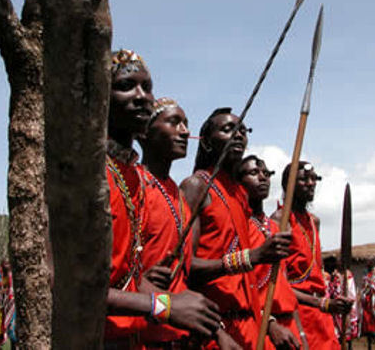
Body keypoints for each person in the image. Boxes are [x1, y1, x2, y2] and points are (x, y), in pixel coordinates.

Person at [105, 50, 222, 348]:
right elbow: (66, 282)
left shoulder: (130, 177)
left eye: (148, 86)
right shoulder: (89, 172)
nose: (142, 96)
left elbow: (127, 277)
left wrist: (212, 326)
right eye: (126, 85)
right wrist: (165, 306)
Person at [181, 108, 290, 349]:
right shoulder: (196, 186)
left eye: (242, 130)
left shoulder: (240, 195)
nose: (238, 135)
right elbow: (186, 267)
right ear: (207, 142)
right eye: (228, 129)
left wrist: (268, 322)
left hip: (250, 325)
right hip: (214, 328)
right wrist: (254, 256)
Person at [138, 97, 239, 348]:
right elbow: (114, 272)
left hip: (178, 334)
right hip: (138, 333)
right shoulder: (134, 185)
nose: (185, 131)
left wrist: (218, 332)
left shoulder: (179, 197)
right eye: (174, 122)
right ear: (144, 133)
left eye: (186, 124)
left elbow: (185, 278)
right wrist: (139, 277)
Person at [270, 162, 352, 350]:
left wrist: (332, 302)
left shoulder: (314, 221)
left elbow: (317, 272)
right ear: (287, 184)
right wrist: (321, 303)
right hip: (297, 313)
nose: (311, 183)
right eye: (304, 179)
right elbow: (279, 283)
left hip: (321, 313)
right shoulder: (280, 220)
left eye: (314, 179)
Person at [237, 155, 302, 349]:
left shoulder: (275, 227)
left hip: (288, 324)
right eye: (254, 172)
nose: (263, 177)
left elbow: (284, 284)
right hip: (260, 325)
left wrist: (301, 332)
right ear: (238, 179)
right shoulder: (238, 225)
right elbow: (238, 286)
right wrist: (270, 324)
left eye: (266, 173)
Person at [324, 257, 359, 348]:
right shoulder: (330, 277)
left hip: (340, 306)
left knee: (343, 331)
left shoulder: (345, 275)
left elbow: (349, 291)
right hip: (332, 307)